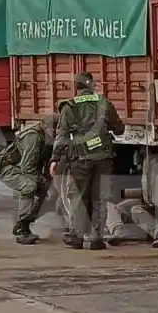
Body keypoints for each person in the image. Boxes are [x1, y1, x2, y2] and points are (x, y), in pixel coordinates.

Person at [50, 72, 125, 250]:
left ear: (76, 88)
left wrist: (55, 159)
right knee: (100, 198)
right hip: (103, 158)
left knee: (78, 198)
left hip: (81, 159)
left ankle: (76, 237)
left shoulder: (69, 107)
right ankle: (96, 239)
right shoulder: (104, 103)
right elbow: (119, 129)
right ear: (92, 85)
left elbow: (61, 137)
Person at [0, 113, 59, 244]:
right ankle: (22, 231)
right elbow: (28, 169)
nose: (55, 134)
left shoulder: (47, 138)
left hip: (20, 168)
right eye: (53, 130)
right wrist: (41, 179)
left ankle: (24, 224)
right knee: (29, 186)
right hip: (6, 167)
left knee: (42, 190)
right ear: (44, 126)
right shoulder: (33, 137)